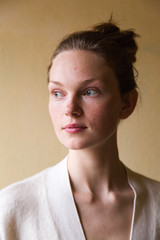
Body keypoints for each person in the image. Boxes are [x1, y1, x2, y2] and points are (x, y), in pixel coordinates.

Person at [0, 19, 160, 240]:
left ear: (127, 103)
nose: (70, 109)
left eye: (90, 91)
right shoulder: (11, 209)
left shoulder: (157, 206)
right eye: (58, 93)